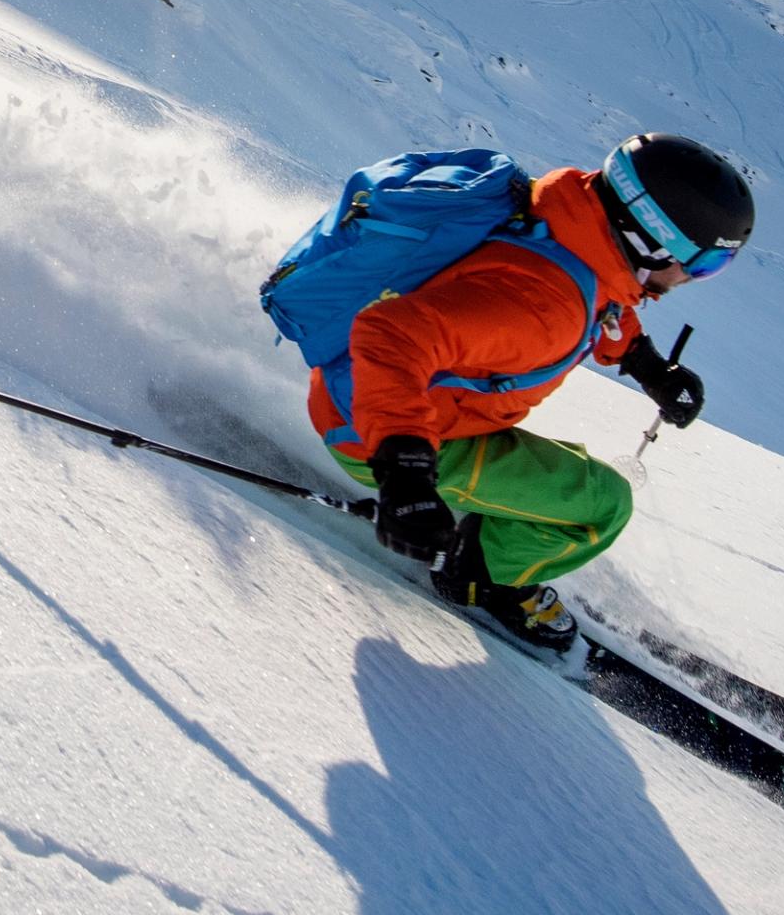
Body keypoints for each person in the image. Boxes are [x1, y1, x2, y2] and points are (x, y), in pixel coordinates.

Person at [314, 134, 753, 651]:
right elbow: (390, 334)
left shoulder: (565, 220)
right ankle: (481, 577)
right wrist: (404, 475)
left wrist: (645, 363)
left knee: (564, 467)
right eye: (702, 264)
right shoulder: (546, 311)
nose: (693, 279)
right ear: (655, 241)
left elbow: (602, 296)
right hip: (386, 434)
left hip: (362, 399)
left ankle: (482, 521)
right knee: (602, 504)